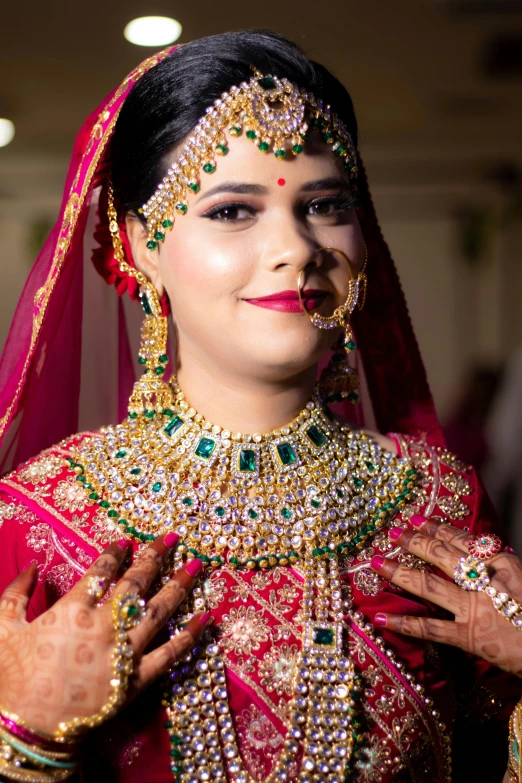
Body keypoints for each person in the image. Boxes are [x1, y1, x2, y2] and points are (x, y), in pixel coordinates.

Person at [0, 29, 517, 783]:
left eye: (326, 204)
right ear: (141, 244)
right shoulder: (39, 525)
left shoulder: (439, 506)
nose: (298, 247)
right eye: (233, 211)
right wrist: (26, 743)